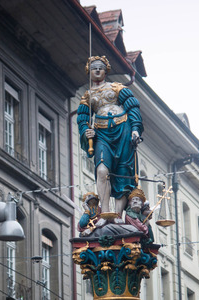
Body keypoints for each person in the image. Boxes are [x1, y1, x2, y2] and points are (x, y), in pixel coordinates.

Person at [77, 56, 143, 226]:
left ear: (105, 71)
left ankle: (117, 214)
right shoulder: (87, 96)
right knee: (102, 171)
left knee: (122, 173)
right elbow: (83, 119)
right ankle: (105, 213)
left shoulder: (117, 88)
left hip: (123, 131)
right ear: (89, 72)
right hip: (102, 135)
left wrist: (135, 128)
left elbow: (132, 106)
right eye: (94, 68)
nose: (97, 70)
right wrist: (86, 132)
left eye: (100, 67)